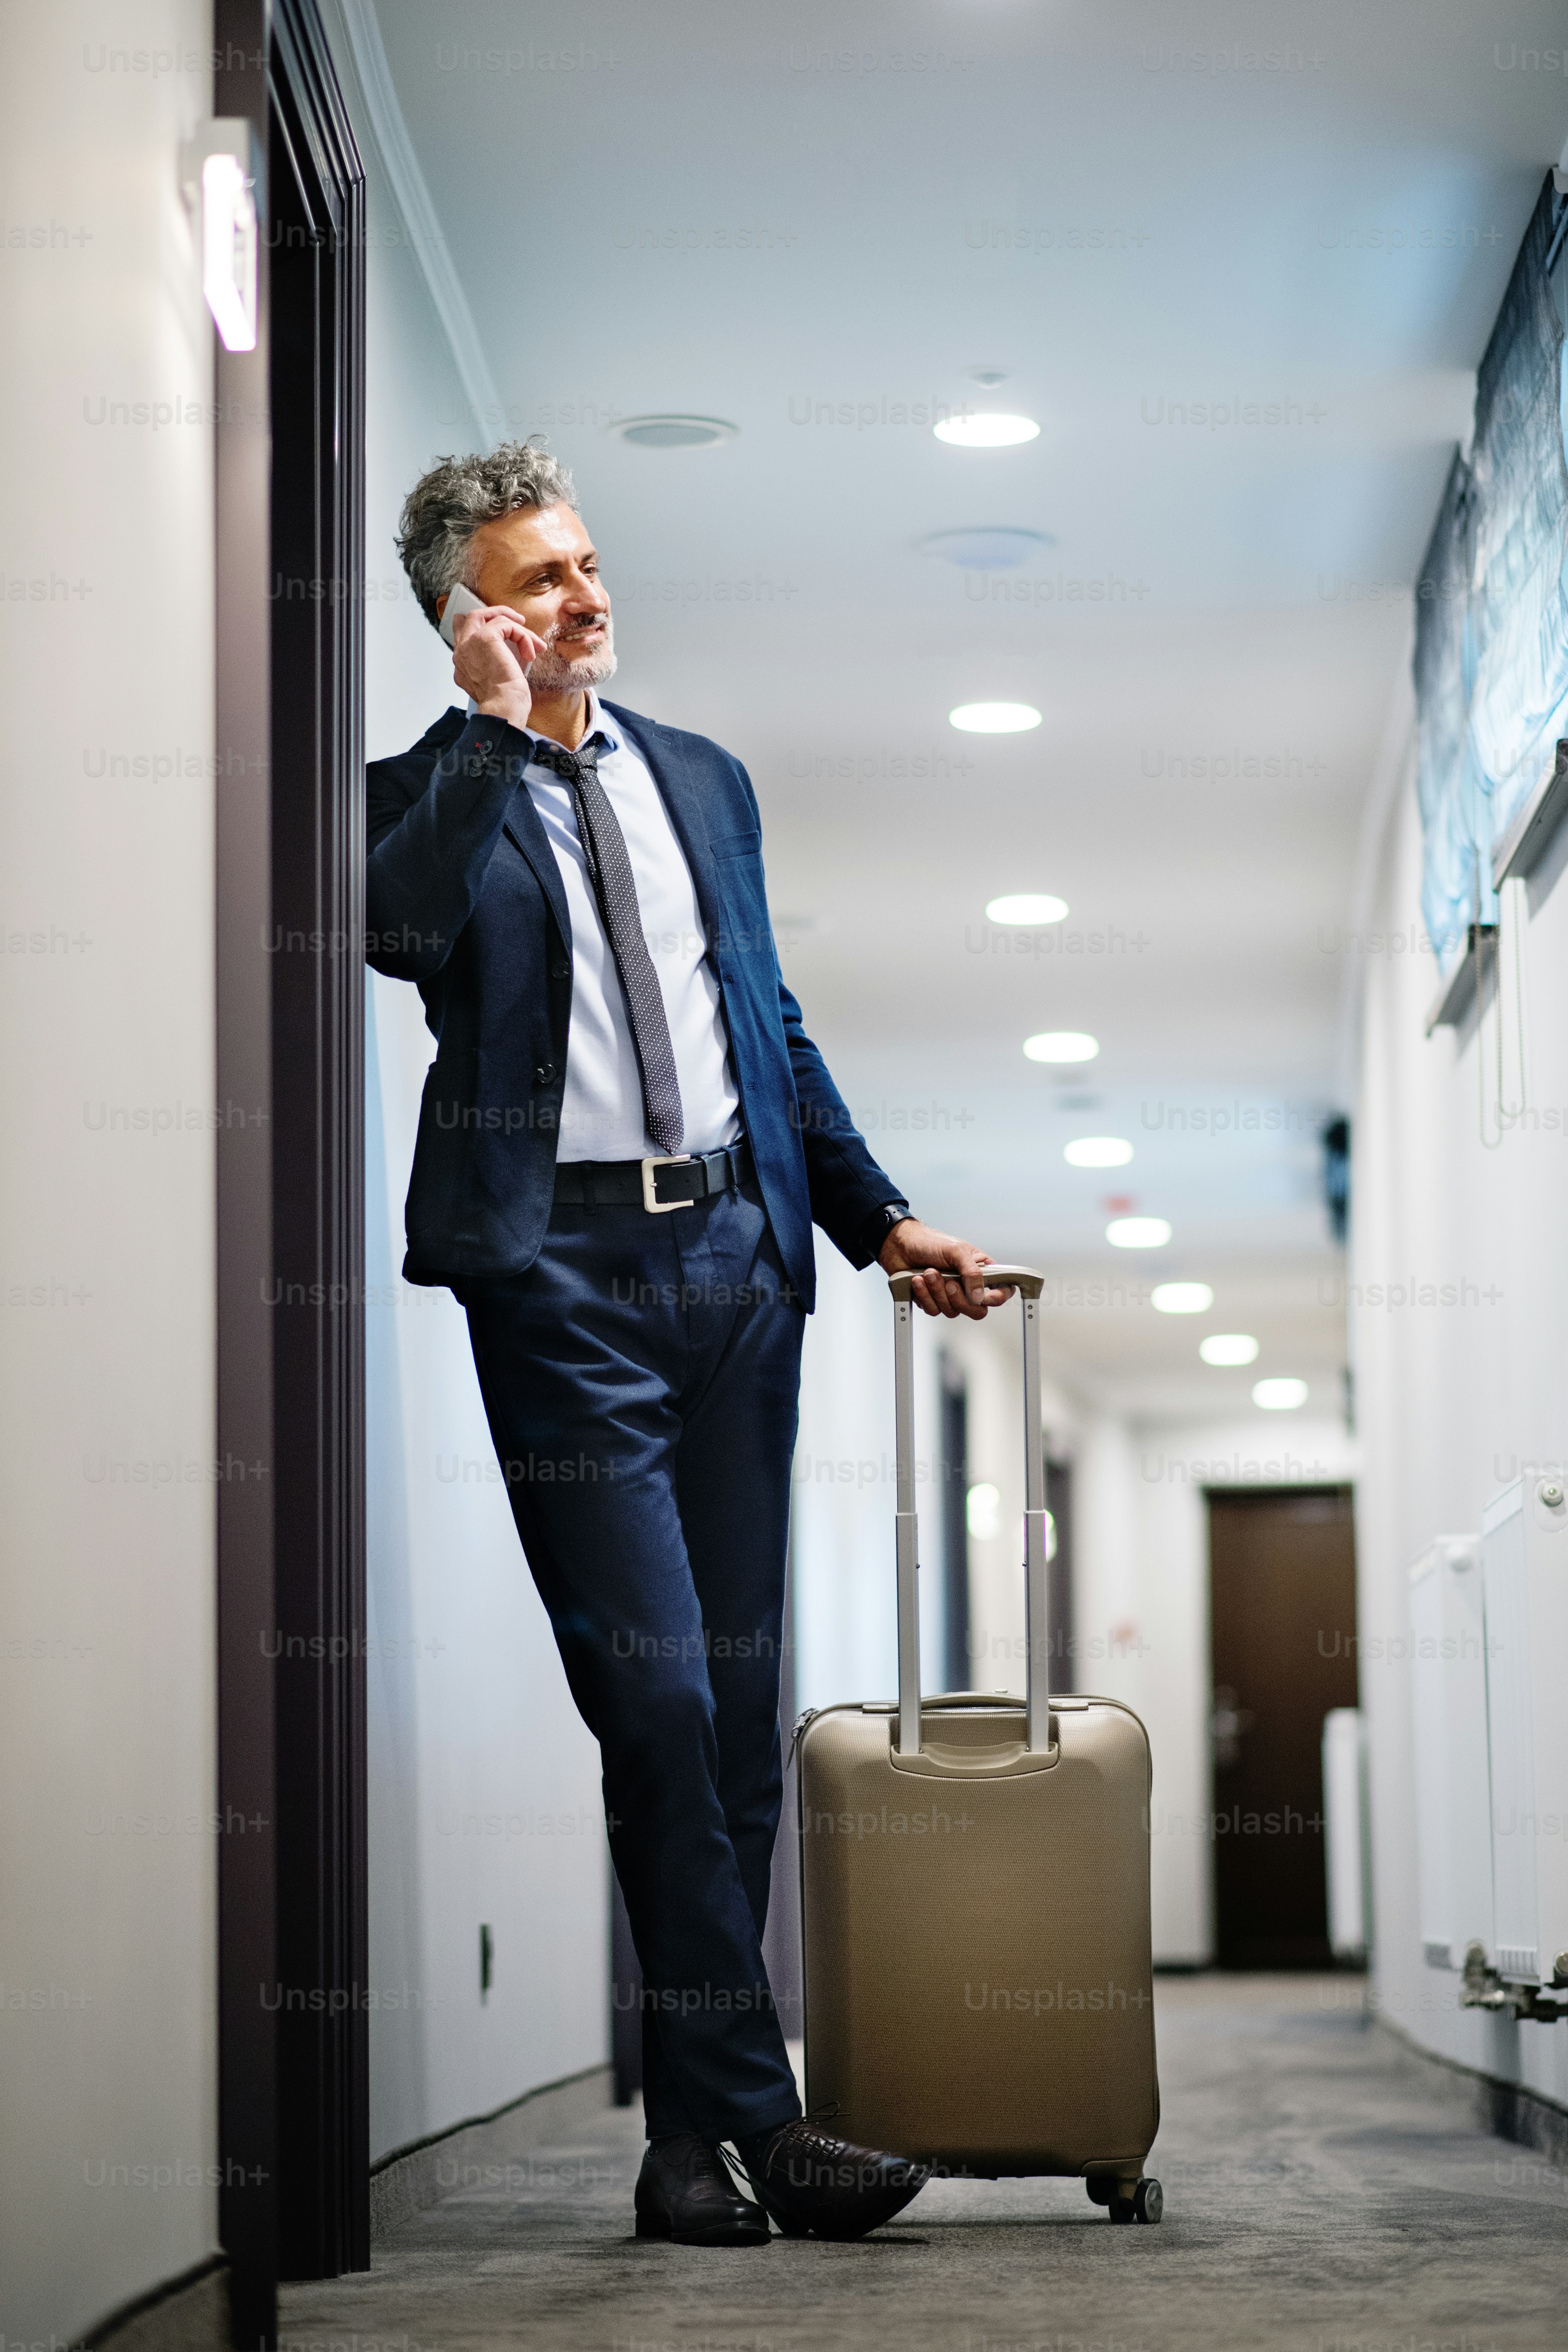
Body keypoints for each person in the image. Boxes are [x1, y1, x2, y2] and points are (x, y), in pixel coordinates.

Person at [368, 438, 1015, 2246]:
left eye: (587, 564)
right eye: (542, 580)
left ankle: (687, 2147)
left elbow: (768, 1025)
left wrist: (877, 1221)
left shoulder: (704, 783)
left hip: (734, 1260)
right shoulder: (417, 796)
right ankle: (764, 2121)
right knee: (648, 1693)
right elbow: (396, 931)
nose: (585, 598)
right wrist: (494, 737)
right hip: (559, 1281)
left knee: (726, 1717)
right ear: (468, 618)